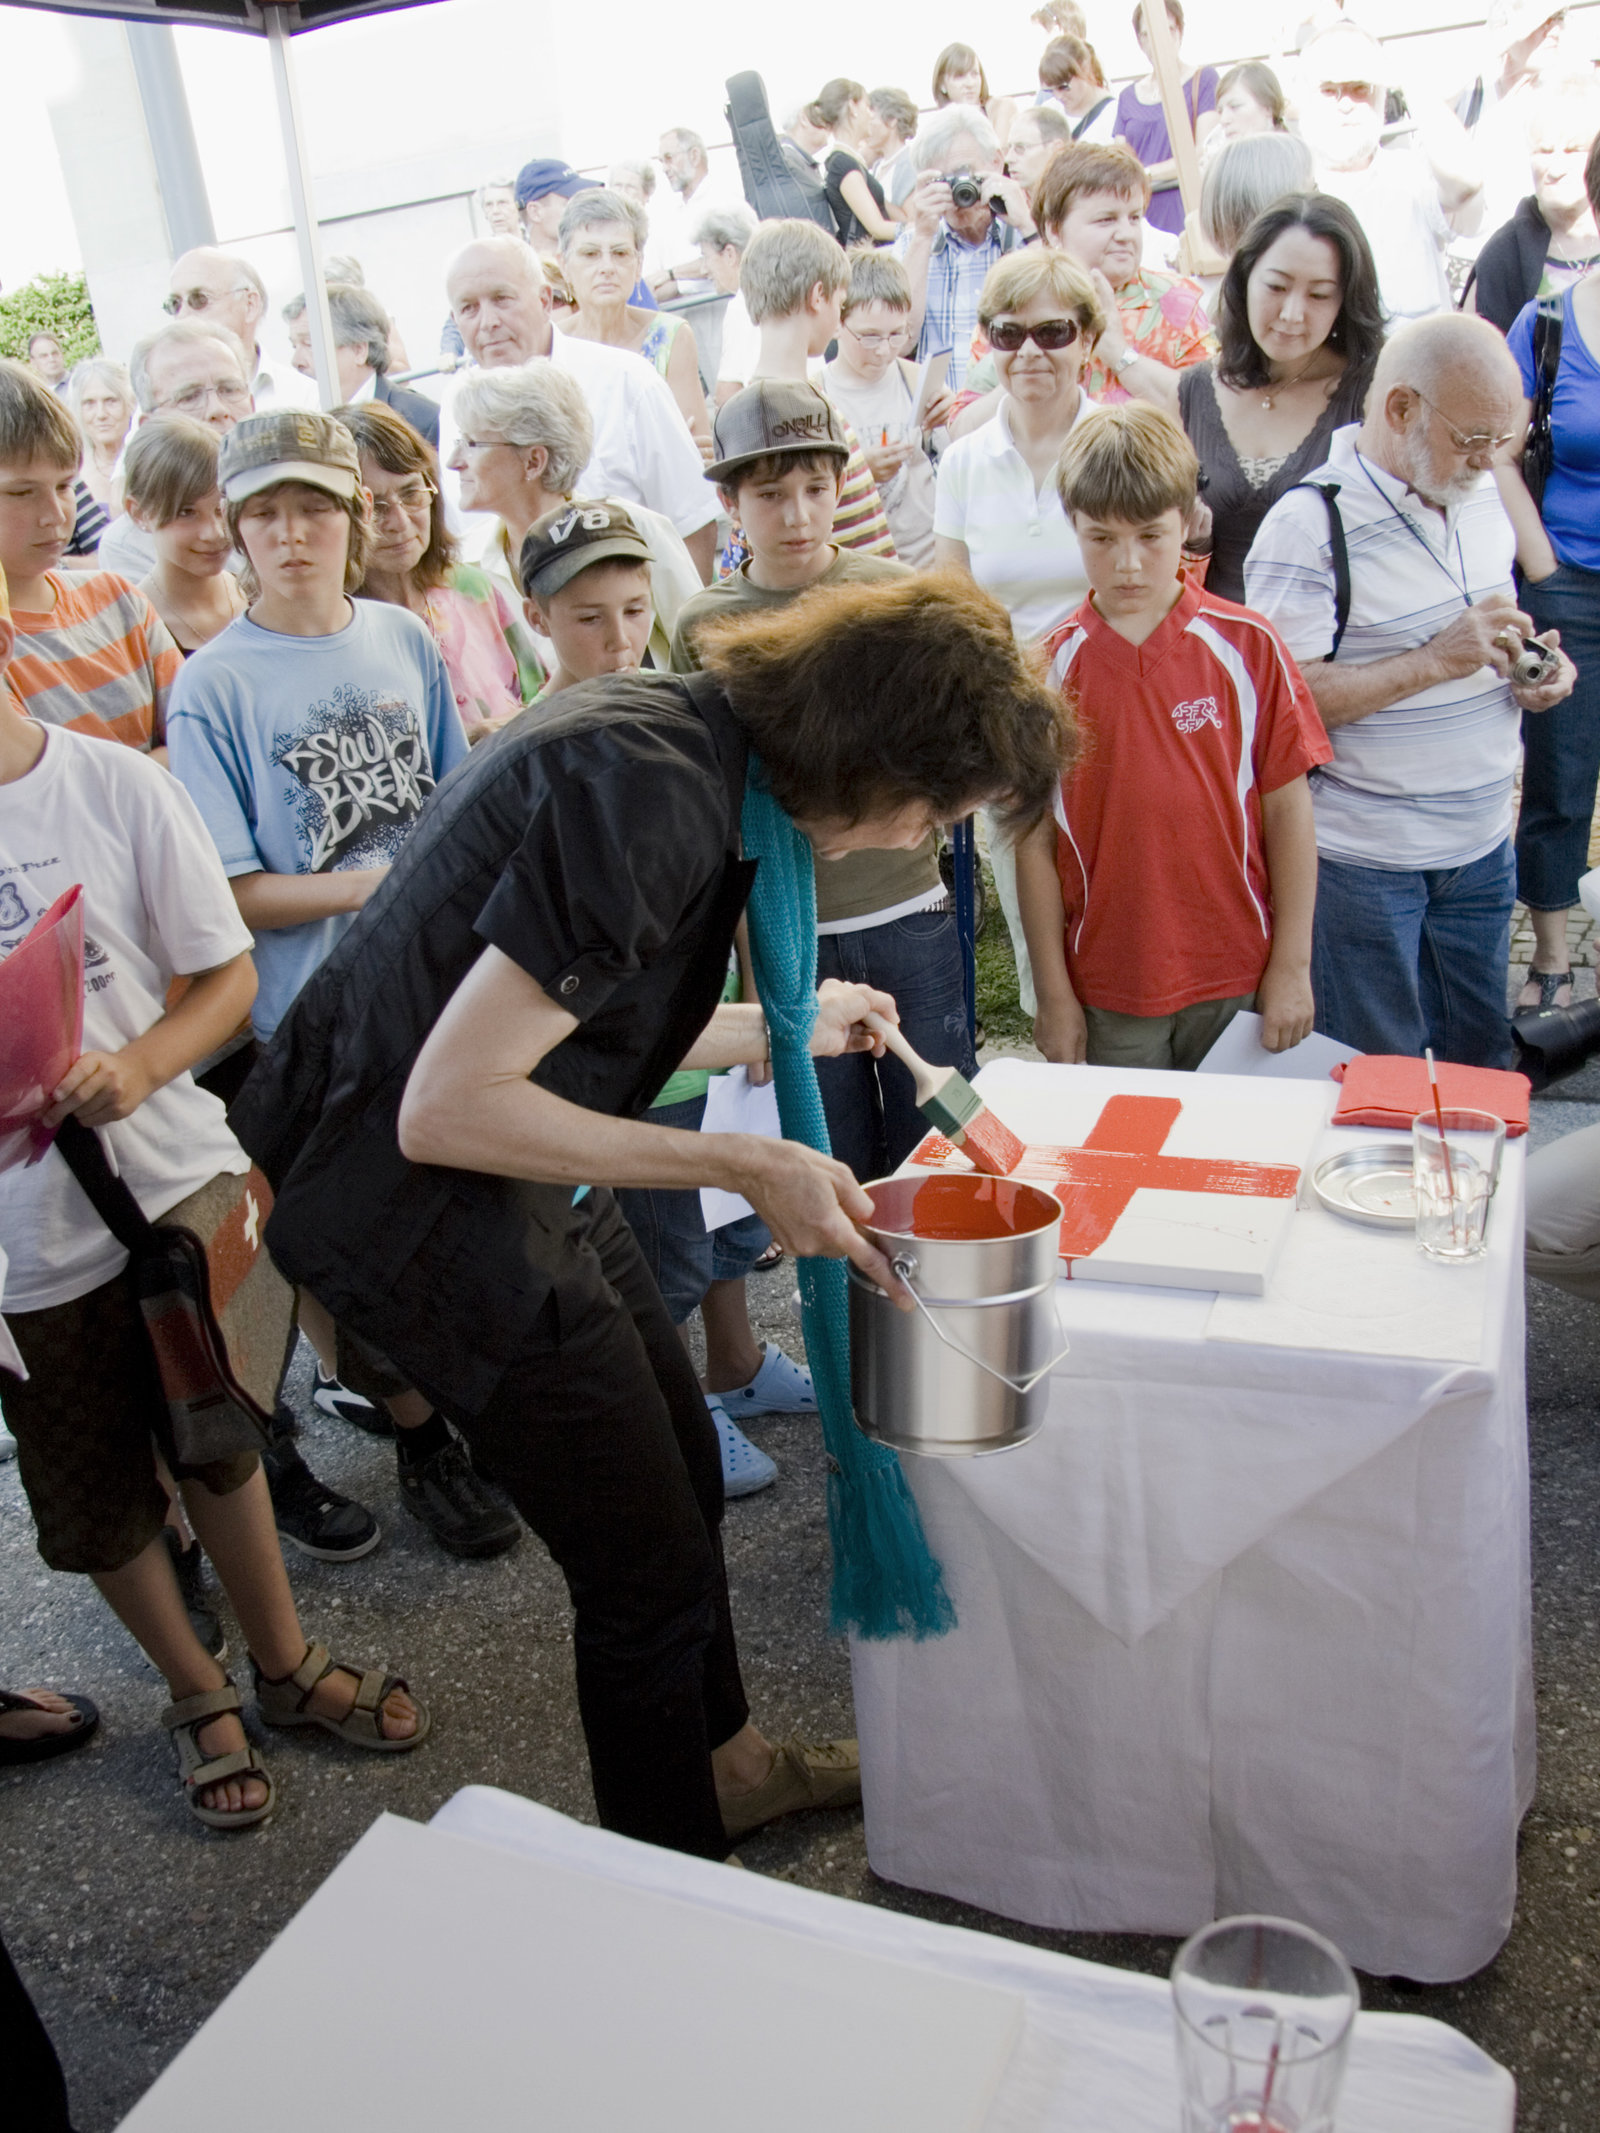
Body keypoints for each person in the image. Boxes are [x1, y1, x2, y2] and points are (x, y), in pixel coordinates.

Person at [227, 565, 1066, 1863]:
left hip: (504, 1151)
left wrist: (789, 1018)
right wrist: (744, 1168)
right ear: (873, 750)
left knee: (680, 1473)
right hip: (415, 1194)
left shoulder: (690, 742)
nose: (916, 839)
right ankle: (671, 1883)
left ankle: (726, 1767)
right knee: (645, 1568)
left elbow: (584, 1015)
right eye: (931, 808)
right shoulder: (652, 798)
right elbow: (446, 1106)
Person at [0, 558, 428, 1833]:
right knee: (91, 1485)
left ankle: (285, 1665)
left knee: (220, 1431)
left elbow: (223, 978)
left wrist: (134, 1064)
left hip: (168, 1183)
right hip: (19, 1249)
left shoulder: (111, 786)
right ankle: (197, 1692)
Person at [164, 412, 514, 1560]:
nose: (290, 533)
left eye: (313, 506)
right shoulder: (212, 685)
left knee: (457, 1219)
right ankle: (420, 1440)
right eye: (262, 512)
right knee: (342, 1248)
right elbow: (239, 891)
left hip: (431, 997)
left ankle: (469, 1412)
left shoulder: (402, 639)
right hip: (306, 1023)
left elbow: (460, 811)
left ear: (353, 515)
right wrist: (387, 887)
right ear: (234, 529)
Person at [520, 496, 809, 1496]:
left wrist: (761, 1001)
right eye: (587, 617)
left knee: (727, 1230)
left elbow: (728, 877)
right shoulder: (529, 749)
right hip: (619, 1060)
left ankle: (736, 1370)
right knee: (657, 1262)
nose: (617, 639)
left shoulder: (684, 717)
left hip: (710, 1027)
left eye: (635, 610)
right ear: (536, 618)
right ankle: (678, 1415)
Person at [1244, 313, 1576, 1067]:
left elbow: (1484, 640)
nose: (1489, 463)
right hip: (1365, 865)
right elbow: (1278, 707)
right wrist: (1435, 660)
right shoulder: (1308, 523)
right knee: (1379, 1081)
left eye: (1503, 442)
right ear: (1400, 410)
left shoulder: (1481, 492)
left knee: (1481, 1065)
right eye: (1473, 442)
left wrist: (1533, 673)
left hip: (1482, 845)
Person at [674, 383, 971, 1187]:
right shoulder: (704, 622)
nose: (798, 515)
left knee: (941, 1140)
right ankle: (861, 1310)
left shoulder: (894, 593)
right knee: (831, 1152)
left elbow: (949, 750)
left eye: (815, 488)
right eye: (770, 495)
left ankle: (942, 1294)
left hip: (909, 909)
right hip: (787, 933)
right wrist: (745, 965)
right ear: (732, 503)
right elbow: (713, 814)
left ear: (843, 483)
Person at [1017, 402, 1327, 1068]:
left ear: (1187, 522)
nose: (1127, 563)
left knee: (1232, 1160)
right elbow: (1034, 841)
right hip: (1108, 983)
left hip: (1236, 976)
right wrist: (1054, 995)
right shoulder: (1045, 669)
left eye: (1150, 536)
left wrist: (1292, 965)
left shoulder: (1250, 646)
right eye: (1101, 538)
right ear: (1071, 524)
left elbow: (1289, 809)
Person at [933, 250, 1104, 1009]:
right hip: (1016, 721)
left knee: (1120, 901)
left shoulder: (1118, 441)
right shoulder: (965, 460)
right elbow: (955, 598)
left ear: (1088, 341)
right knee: (1038, 928)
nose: (1030, 352)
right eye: (1008, 334)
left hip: (1115, 711)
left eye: (1053, 331)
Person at [1491, 132, 1600, 1010]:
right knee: (1561, 774)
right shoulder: (1550, 320)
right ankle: (1553, 957)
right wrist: (1542, 562)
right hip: (1571, 580)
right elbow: (1498, 450)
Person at [441, 238, 718, 582]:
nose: (488, 322)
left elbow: (692, 525)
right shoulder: (453, 405)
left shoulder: (625, 381)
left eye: (502, 299)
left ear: (544, 300)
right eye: (469, 308)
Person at [1179, 193, 1383, 602]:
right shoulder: (1196, 389)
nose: (1292, 313)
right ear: (1244, 278)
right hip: (1221, 644)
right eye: (1276, 286)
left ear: (1345, 301)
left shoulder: (1371, 392)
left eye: (1319, 295)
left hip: (1328, 649)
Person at [446, 359, 702, 671]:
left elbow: (704, 653)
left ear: (533, 461)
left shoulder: (635, 529)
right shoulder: (462, 566)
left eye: (472, 443)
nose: (453, 460)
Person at [0, 361, 179, 755]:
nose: (55, 514)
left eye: (65, 486)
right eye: (20, 492)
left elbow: (201, 737)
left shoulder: (119, 599)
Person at [343, 399, 544, 739]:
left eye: (411, 494)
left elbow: (543, 697)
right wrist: (469, 741)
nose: (400, 521)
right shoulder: (341, 629)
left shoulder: (471, 586)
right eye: (374, 507)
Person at [1296, 23, 1484, 325]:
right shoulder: (1292, 190)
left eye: (1360, 87)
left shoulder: (1411, 175)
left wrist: (1405, 81)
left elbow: (1465, 182)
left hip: (1419, 365)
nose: (1345, 103)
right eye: (1329, 90)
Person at [733, 219, 897, 561]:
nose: (839, 320)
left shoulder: (757, 410)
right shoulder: (790, 411)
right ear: (818, 296)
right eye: (839, 303)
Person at [1029, 142, 1216, 412]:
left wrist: (1118, 353)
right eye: (1106, 220)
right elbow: (962, 425)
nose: (1127, 234)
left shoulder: (1176, 301)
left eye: (1134, 218)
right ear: (1054, 230)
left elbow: (1214, 412)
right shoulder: (1018, 303)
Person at [98, 321, 255, 582]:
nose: (217, 408)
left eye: (230, 389)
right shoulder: (130, 544)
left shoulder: (295, 500)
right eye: (189, 396)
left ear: (252, 403)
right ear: (149, 426)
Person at [558, 189, 712, 456]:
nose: (607, 266)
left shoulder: (670, 337)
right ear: (564, 266)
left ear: (638, 265)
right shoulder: (552, 345)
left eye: (619, 253)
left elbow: (698, 455)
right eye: (590, 254)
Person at [822, 251, 946, 567]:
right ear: (838, 323)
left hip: (926, 557)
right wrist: (863, 473)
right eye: (869, 337)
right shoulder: (818, 395)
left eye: (896, 334)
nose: (884, 350)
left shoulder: (914, 377)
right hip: (863, 565)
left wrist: (951, 414)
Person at [898, 105, 1030, 390]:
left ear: (996, 162)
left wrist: (1027, 225)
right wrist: (922, 235)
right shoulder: (914, 245)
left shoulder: (1027, 235)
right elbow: (899, 339)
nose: (958, 192)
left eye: (964, 173)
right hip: (943, 420)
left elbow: (1068, 314)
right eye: (941, 181)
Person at [1466, 79, 1600, 327]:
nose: (1556, 168)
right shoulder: (1504, 254)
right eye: (1544, 152)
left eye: (1573, 151)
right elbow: (1473, 354)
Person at [123, 415, 245, 654]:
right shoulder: (134, 631)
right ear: (139, 513)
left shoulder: (261, 593)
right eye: (186, 512)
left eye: (221, 508)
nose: (214, 532)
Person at [1114, 1, 1220, 242]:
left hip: (1184, 204)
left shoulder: (1203, 80)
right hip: (1140, 211)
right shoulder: (1128, 96)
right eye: (1147, 34)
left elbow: (1204, 152)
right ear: (1140, 41)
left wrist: (1146, 173)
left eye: (1168, 29)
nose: (1159, 40)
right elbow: (1118, 160)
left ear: (1180, 32)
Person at [287, 283, 441, 447]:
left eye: (309, 344)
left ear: (359, 350)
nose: (296, 361)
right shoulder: (297, 416)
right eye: (294, 346)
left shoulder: (420, 421)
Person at [164, 247, 317, 411]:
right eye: (175, 304)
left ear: (250, 305)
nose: (184, 315)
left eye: (199, 299)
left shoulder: (307, 398)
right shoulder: (163, 402)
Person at [652, 129, 743, 295]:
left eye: (669, 158)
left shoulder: (724, 199)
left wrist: (672, 278)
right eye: (661, 162)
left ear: (694, 156)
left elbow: (731, 258)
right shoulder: (669, 214)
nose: (664, 168)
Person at [815, 78, 898, 246]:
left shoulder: (846, 162)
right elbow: (877, 227)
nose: (871, 115)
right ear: (853, 107)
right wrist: (919, 230)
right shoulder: (844, 165)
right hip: (870, 264)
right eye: (867, 107)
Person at [694, 202, 759, 406]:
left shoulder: (741, 304)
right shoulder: (779, 290)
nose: (704, 270)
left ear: (730, 254)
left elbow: (727, 395)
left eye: (706, 257)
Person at [66, 357, 135, 523]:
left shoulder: (151, 464)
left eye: (111, 401)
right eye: (89, 403)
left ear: (130, 404)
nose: (101, 414)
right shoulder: (70, 473)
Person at [932, 41, 1018, 157]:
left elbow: (997, 158)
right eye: (960, 76)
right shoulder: (939, 127)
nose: (970, 83)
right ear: (942, 84)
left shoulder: (1001, 108)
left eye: (975, 74)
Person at [1039, 36, 1118, 147]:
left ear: (1084, 68)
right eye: (1051, 90)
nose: (1058, 96)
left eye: (1063, 87)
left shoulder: (1113, 114)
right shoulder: (1049, 111)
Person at [514, 157, 590, 253]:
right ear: (535, 212)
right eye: (568, 203)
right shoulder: (517, 266)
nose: (580, 209)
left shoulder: (593, 263)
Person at [1004, 103, 1073, 207]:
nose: (1009, 158)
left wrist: (1024, 222)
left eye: (1020, 148)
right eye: (1009, 147)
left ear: (1058, 149)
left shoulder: (1081, 200)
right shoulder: (1006, 202)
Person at [1212, 62, 1289, 148]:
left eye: (1235, 106)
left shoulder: (1293, 157)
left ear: (1268, 108)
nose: (1223, 120)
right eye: (1220, 111)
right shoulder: (1221, 157)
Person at [870, 86, 921, 210]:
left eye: (871, 119)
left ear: (892, 120)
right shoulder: (878, 165)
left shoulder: (910, 163)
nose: (866, 127)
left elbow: (911, 221)